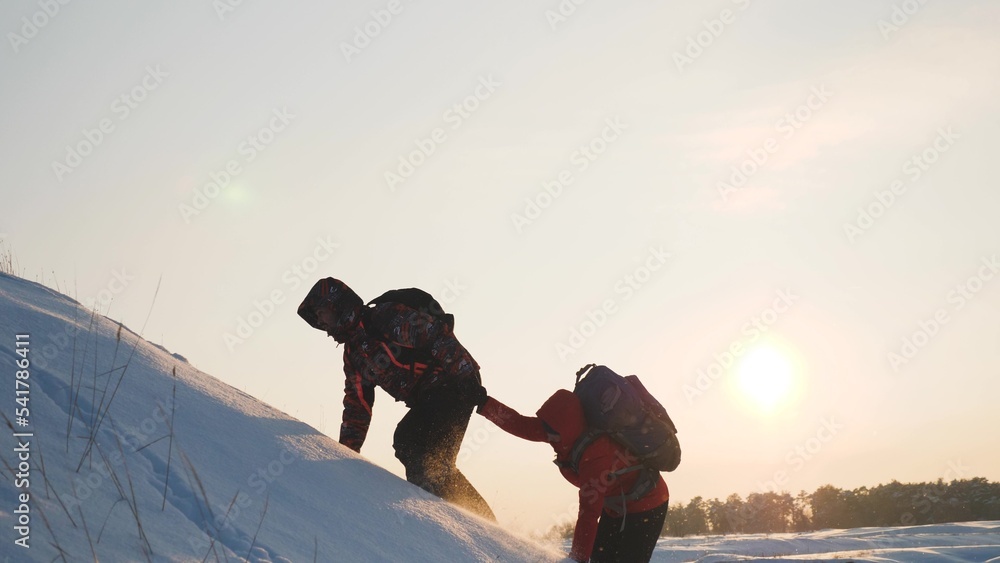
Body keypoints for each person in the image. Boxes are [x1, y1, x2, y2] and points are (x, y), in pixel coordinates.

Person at [297, 277, 495, 520]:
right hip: (429, 398)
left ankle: (471, 524)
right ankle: (469, 524)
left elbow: (436, 336)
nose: (320, 321)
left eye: (321, 312)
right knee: (421, 453)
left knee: (413, 443)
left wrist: (466, 377)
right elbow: (357, 405)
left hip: (454, 383)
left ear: (336, 304)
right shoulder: (354, 354)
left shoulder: (383, 318)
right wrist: (346, 455)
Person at [478, 390, 669, 562]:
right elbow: (522, 425)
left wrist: (577, 560)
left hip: (647, 505)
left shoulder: (595, 456)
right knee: (601, 558)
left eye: (552, 432)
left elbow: (588, 513)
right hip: (615, 506)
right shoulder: (562, 432)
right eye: (547, 429)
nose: (548, 437)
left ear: (567, 428)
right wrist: (484, 402)